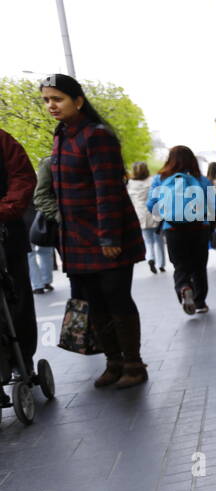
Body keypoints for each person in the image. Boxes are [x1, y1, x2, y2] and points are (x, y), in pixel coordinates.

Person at [41, 73, 147, 389]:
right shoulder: (62, 136)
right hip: (75, 238)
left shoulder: (96, 135)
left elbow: (107, 189)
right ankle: (113, 362)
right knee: (94, 303)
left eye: (57, 99)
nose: (51, 106)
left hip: (106, 235)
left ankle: (134, 364)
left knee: (117, 299)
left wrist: (110, 236)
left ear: (78, 100)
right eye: (47, 100)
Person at [147, 146, 212, 315]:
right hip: (199, 228)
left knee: (180, 265)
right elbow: (214, 206)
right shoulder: (201, 179)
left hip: (174, 229)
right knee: (199, 267)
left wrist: (167, 213)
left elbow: (151, 205)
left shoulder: (160, 179)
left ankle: (184, 287)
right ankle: (200, 303)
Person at [0, 128, 39, 374]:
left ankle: (22, 359)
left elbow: (23, 176)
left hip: (6, 233)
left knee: (17, 298)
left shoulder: (3, 141)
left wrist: (5, 209)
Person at [125, 162, 165, 274]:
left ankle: (150, 258)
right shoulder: (152, 181)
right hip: (154, 213)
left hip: (140, 215)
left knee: (147, 240)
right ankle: (161, 264)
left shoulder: (130, 184)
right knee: (159, 240)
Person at [29, 156, 58, 293]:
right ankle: (46, 281)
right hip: (43, 217)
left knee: (31, 253)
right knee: (45, 250)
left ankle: (37, 284)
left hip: (30, 218)